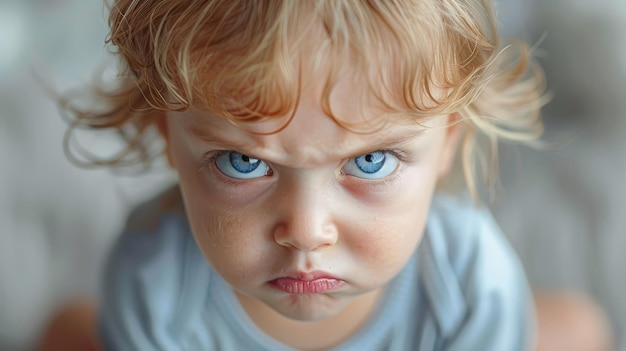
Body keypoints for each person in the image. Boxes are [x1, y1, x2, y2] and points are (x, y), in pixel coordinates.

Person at [43, 0, 593, 350]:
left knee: (578, 327)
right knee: (66, 332)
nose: (306, 231)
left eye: (369, 162)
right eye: (245, 162)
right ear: (169, 135)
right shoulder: (152, 283)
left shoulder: (472, 284)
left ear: (448, 139)